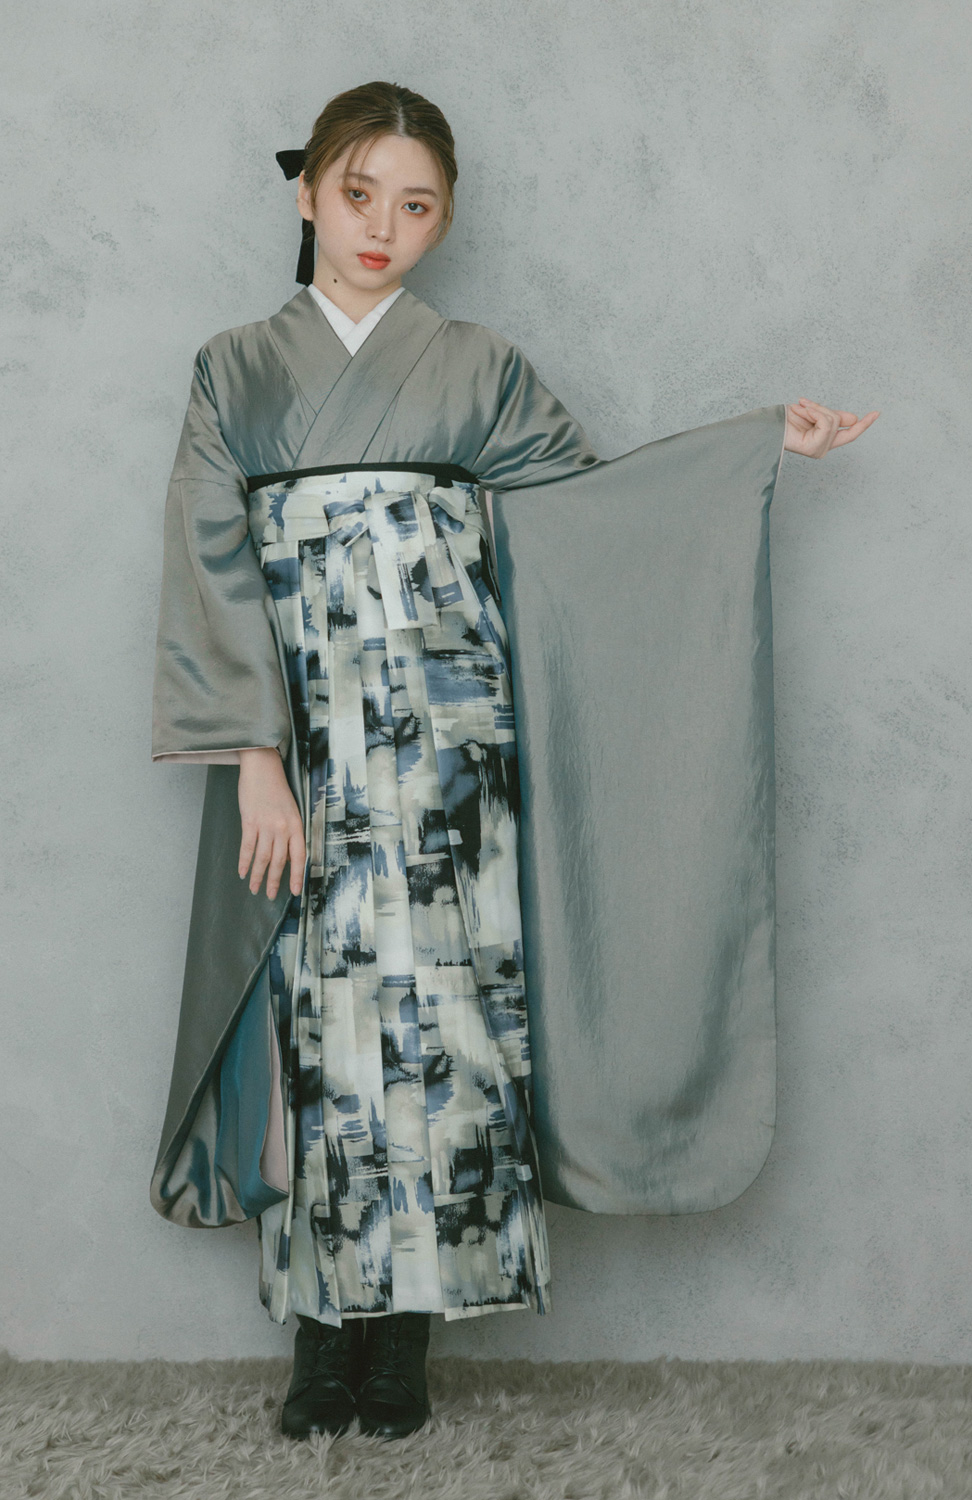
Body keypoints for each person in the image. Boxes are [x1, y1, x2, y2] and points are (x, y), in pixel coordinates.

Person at [149, 80, 879, 1444]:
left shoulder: (478, 367)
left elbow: (591, 516)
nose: (382, 226)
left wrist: (747, 450)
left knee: (439, 1032)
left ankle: (404, 1339)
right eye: (357, 193)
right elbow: (212, 564)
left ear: (445, 222)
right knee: (320, 1029)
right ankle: (321, 1331)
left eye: (416, 205)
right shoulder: (236, 371)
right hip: (307, 750)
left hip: (451, 752)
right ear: (306, 192)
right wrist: (254, 761)